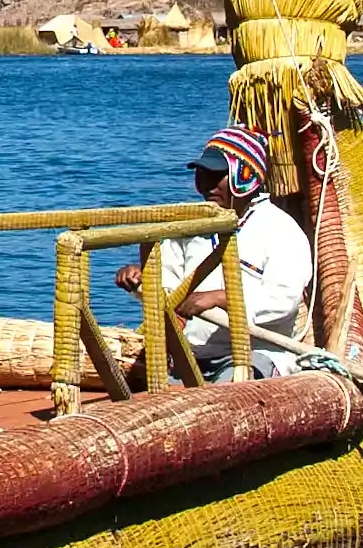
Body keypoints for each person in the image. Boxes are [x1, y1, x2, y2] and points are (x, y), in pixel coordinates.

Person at [109, 124, 313, 380]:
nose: (208, 186)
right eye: (202, 176)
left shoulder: (280, 229)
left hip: (256, 354)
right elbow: (169, 291)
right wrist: (142, 280)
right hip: (190, 355)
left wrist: (220, 298)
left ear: (245, 176)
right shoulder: (190, 227)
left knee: (230, 390)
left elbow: (283, 300)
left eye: (217, 176)